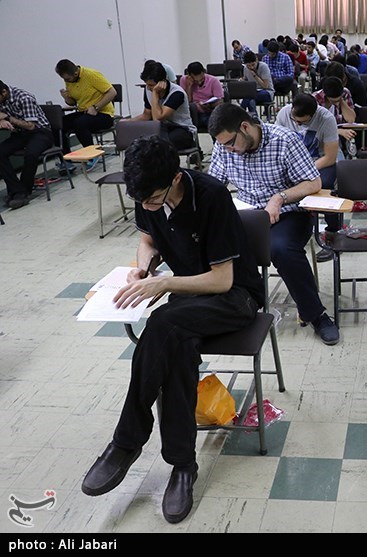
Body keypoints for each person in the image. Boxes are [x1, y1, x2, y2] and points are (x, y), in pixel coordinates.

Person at [80, 135, 265, 523]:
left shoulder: (211, 197)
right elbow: (148, 240)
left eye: (152, 199)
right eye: (141, 201)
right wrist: (143, 267)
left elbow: (222, 280)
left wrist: (163, 284)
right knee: (177, 345)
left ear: (176, 178)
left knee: (163, 322)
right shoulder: (147, 193)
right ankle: (183, 465)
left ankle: (126, 442)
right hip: (189, 302)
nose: (146, 206)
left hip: (235, 298)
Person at [207, 103, 340, 345]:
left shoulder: (284, 140)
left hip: (289, 213)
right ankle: (235, 309)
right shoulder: (224, 146)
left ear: (245, 127)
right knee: (211, 244)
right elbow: (213, 186)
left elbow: (313, 183)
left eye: (230, 143)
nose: (228, 149)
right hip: (248, 213)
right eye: (223, 145)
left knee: (281, 249)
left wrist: (279, 198)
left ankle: (315, 314)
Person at [275, 92, 341, 263]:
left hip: (319, 163)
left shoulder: (326, 119)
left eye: (302, 122)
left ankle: (333, 233)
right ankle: (288, 228)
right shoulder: (284, 113)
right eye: (294, 120)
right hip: (291, 163)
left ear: (313, 115)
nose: (297, 124)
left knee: (325, 187)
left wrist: (306, 170)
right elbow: (275, 145)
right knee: (278, 184)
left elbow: (330, 157)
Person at [0, 80, 53, 209]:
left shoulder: (24, 98)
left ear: (4, 92)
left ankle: (23, 191)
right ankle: (18, 190)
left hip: (40, 132)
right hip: (20, 134)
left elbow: (31, 126)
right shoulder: (2, 99)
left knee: (31, 154)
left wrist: (7, 118)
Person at [54, 59, 116, 168]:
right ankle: (66, 160)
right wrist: (66, 98)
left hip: (104, 114)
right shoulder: (70, 80)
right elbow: (73, 102)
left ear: (75, 73)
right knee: (59, 124)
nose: (66, 81)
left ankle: (93, 155)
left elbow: (112, 92)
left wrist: (95, 107)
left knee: (80, 123)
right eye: (64, 79)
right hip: (84, 112)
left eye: (67, 79)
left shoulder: (92, 75)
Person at [130, 61, 196, 151]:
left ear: (162, 82)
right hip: (161, 128)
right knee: (142, 142)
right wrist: (127, 122)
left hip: (182, 129)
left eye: (151, 85)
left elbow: (158, 118)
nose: (148, 88)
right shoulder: (148, 89)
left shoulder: (177, 93)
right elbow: (146, 115)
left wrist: (155, 93)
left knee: (159, 144)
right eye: (146, 84)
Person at [179, 62, 224, 129]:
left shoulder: (213, 81)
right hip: (192, 113)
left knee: (215, 123)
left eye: (201, 79)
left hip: (209, 111)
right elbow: (186, 102)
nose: (199, 82)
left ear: (204, 73)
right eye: (196, 81)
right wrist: (189, 87)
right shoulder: (184, 80)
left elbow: (220, 101)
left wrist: (209, 105)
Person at [240, 51, 274, 118]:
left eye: (253, 65)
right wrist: (242, 81)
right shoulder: (245, 68)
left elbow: (265, 86)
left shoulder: (263, 66)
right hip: (253, 93)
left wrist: (254, 75)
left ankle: (241, 111)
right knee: (250, 101)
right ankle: (255, 119)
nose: (251, 67)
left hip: (267, 92)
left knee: (248, 97)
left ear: (256, 60)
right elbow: (245, 79)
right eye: (248, 66)